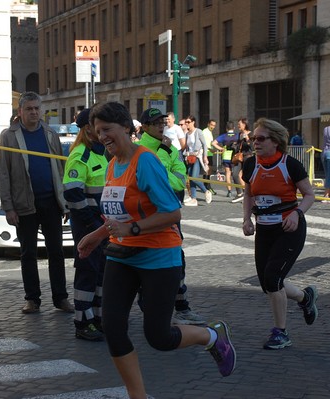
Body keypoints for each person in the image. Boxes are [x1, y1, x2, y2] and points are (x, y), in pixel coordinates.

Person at [78, 102, 236, 398]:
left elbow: (172, 213)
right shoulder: (113, 164)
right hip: (122, 255)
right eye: (97, 132)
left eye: (107, 130)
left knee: (159, 337)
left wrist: (133, 230)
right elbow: (120, 216)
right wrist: (98, 235)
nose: (102, 137)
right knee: (113, 328)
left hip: (158, 257)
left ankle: (212, 336)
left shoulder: (145, 161)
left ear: (127, 128)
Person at [241, 118, 318, 350]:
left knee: (273, 277)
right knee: (268, 283)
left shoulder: (290, 164)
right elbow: (248, 194)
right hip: (264, 228)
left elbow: (309, 195)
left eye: (261, 138)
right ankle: (305, 298)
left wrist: (297, 214)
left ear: (275, 141)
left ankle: (280, 332)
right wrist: (246, 219)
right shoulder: (250, 165)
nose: (255, 142)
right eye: (253, 138)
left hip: (289, 229)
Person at [0, 91, 73, 314]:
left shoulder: (50, 133)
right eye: (29, 108)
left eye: (36, 108)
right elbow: (4, 174)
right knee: (28, 253)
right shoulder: (9, 136)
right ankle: (32, 299)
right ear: (20, 111)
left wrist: (64, 201)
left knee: (56, 252)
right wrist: (8, 206)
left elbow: (60, 170)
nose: (33, 112)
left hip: (51, 202)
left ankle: (61, 298)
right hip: (24, 204)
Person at [138, 109, 206, 325]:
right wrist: (167, 167)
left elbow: (179, 178)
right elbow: (168, 180)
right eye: (155, 123)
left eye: (162, 122)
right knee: (151, 260)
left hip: (168, 213)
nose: (161, 125)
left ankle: (180, 306)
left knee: (177, 260)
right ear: (145, 127)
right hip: (153, 214)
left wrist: (166, 162)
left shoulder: (166, 147)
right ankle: (153, 304)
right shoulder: (144, 150)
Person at [63, 108, 108, 341]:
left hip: (103, 225)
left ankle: (98, 318)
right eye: (96, 123)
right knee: (87, 272)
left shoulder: (102, 153)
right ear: (87, 128)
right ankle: (82, 322)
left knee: (101, 272)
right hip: (88, 225)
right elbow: (72, 193)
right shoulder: (81, 154)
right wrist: (91, 221)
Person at [183, 115, 211, 206]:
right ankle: (194, 199)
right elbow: (187, 147)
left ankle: (206, 191)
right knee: (191, 179)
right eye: (186, 122)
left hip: (197, 157)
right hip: (190, 158)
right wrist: (186, 155)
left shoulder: (198, 131)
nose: (186, 124)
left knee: (194, 177)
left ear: (193, 122)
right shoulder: (187, 134)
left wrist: (205, 157)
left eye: (188, 122)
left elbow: (205, 144)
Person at [212, 121, 239, 197]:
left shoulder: (224, 136)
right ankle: (240, 191)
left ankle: (229, 191)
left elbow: (213, 143)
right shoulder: (237, 136)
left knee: (228, 173)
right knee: (237, 174)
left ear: (226, 129)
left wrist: (221, 148)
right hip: (235, 157)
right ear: (233, 128)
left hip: (226, 156)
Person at [231, 118, 253, 203]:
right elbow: (239, 146)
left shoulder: (251, 133)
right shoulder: (240, 134)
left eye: (239, 124)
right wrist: (235, 145)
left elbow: (252, 147)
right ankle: (240, 193)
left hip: (248, 157)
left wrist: (247, 138)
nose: (238, 126)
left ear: (244, 124)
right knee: (235, 174)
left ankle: (247, 194)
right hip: (240, 157)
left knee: (245, 176)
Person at [201, 119, 217, 194]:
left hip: (210, 153)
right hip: (206, 153)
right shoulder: (205, 132)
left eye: (214, 125)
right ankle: (206, 185)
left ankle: (206, 184)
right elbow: (204, 144)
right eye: (211, 125)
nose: (212, 127)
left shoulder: (210, 132)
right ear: (208, 124)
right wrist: (211, 150)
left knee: (209, 170)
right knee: (207, 170)